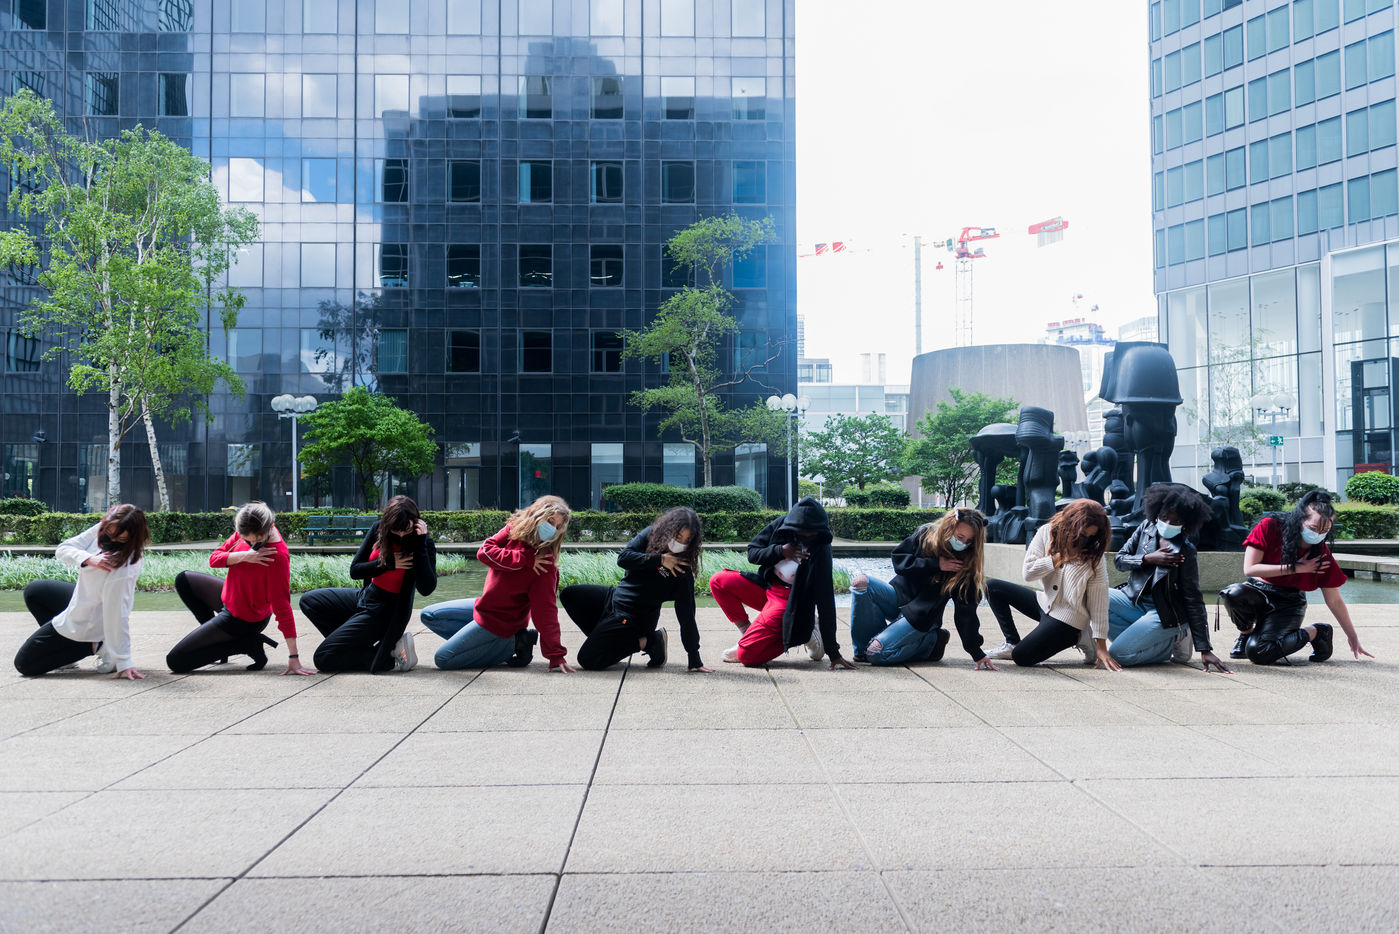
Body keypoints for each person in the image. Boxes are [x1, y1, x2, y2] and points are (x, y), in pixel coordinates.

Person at [420, 495, 577, 672]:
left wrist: (555, 654)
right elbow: (484, 552)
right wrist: (524, 559)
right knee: (428, 615)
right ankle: (497, 643)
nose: (552, 529)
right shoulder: (514, 529)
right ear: (537, 515)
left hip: (502, 623)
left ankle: (513, 644)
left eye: (557, 527)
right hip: (485, 607)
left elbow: (545, 611)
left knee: (443, 659)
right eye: (550, 521)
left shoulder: (544, 562)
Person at [1219, 491, 1373, 665]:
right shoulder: (1270, 526)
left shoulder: (1320, 554)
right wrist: (1296, 568)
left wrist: (1352, 636)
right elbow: (1250, 568)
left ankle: (1317, 632)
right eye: (1313, 528)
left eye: (1324, 531)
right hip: (1258, 590)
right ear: (1300, 519)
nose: (1318, 534)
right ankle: (1246, 635)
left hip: (1288, 602)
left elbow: (1334, 600)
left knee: (1259, 653)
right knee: (1232, 593)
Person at [167, 502, 313, 675]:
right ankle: (219, 642)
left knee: (176, 661)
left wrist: (293, 656)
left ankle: (246, 644)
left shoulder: (277, 556)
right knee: (183, 580)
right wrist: (244, 556)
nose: (253, 545)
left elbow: (282, 606)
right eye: (248, 540)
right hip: (230, 597)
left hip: (245, 618)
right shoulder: (247, 528)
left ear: (269, 527)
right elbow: (214, 559)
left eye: (258, 540)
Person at [709, 496, 854, 670]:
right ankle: (747, 634)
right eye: (802, 532)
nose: (806, 536)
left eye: (811, 533)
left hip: (790, 600)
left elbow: (826, 598)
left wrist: (833, 652)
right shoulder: (781, 525)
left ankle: (805, 628)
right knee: (718, 581)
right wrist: (780, 551)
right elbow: (752, 552)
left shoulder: (821, 547)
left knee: (746, 656)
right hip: (768, 587)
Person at [559, 507, 709, 672]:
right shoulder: (651, 535)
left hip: (635, 618)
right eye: (678, 537)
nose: (680, 543)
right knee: (569, 595)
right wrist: (659, 560)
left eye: (687, 540)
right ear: (668, 530)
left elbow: (686, 615)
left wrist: (694, 656)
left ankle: (650, 642)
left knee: (587, 659)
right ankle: (609, 645)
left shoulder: (682, 571)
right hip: (615, 597)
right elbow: (624, 558)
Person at [848, 508, 998, 670]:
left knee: (876, 653)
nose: (963, 543)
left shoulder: (966, 566)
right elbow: (899, 560)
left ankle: (932, 643)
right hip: (898, 597)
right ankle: (862, 651)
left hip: (922, 617)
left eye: (969, 541)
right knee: (860, 583)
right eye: (960, 537)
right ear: (949, 527)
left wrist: (976, 651)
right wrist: (936, 565)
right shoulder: (925, 535)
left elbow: (966, 614)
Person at [14, 504, 149, 679]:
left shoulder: (122, 568)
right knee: (35, 591)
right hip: (85, 599)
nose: (111, 539)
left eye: (120, 538)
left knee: (24, 664)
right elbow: (63, 549)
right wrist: (88, 558)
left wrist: (123, 660)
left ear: (132, 538)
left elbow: (117, 613)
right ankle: (67, 652)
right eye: (109, 532)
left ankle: (93, 645)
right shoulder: (106, 527)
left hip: (89, 621)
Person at [984, 499, 1120, 670]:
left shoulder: (1093, 554)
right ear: (1071, 524)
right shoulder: (1046, 532)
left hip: (1069, 618)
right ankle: (1012, 642)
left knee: (1021, 657)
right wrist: (1058, 558)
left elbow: (1099, 601)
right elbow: (1028, 573)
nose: (1086, 540)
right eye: (1082, 535)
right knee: (992, 586)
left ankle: (1081, 636)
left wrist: (1101, 646)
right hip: (1044, 602)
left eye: (1091, 536)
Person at [1108, 484, 1231, 672]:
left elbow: (1193, 598)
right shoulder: (1146, 528)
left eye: (1176, 521)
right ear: (1156, 514)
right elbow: (1119, 560)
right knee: (1095, 596)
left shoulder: (1186, 550)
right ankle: (1154, 638)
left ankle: (1169, 645)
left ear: (1186, 523)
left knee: (1118, 654)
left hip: (1164, 613)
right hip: (1134, 602)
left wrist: (1204, 648)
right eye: (1164, 517)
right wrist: (1147, 558)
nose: (1168, 523)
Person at [309, 496, 438, 673]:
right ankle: (357, 647)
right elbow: (355, 570)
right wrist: (387, 564)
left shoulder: (422, 543)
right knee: (309, 601)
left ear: (415, 523)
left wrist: (420, 545)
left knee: (323, 658)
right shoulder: (379, 529)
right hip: (367, 596)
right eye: (396, 530)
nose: (401, 535)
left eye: (406, 530)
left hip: (384, 611)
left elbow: (427, 589)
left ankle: (384, 657)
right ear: (388, 523)